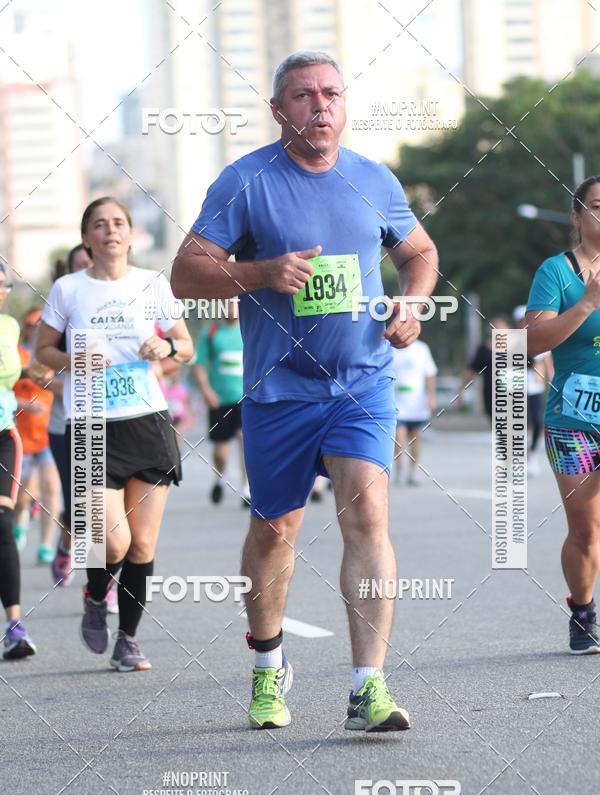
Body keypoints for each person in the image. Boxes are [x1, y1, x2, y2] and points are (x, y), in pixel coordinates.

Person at [172, 50, 438, 731]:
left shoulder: (374, 180)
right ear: (277, 109)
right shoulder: (246, 180)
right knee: (275, 529)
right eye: (302, 96)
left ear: (344, 105)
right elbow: (186, 272)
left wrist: (410, 304)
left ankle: (368, 686)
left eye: (331, 93)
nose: (320, 105)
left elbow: (420, 253)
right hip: (278, 391)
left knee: (368, 518)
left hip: (363, 381)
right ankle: (267, 668)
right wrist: (261, 272)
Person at [37, 197, 193, 671]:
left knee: (144, 545)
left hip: (147, 421)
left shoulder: (152, 283)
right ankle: (93, 593)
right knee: (115, 542)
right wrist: (72, 361)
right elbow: (42, 351)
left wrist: (165, 344)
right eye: (100, 225)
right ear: (87, 238)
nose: (110, 231)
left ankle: (128, 639)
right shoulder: (68, 289)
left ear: (131, 234)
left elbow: (185, 347)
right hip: (90, 422)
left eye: (119, 223)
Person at [525, 175, 600, 654]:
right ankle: (583, 611)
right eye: (596, 204)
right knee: (587, 531)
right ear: (577, 216)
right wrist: (589, 302)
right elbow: (532, 341)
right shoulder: (556, 272)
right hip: (574, 422)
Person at [47, 244, 94, 589]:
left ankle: (100, 587)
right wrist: (73, 375)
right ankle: (66, 546)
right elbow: (36, 370)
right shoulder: (57, 315)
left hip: (113, 420)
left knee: (102, 507)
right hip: (66, 424)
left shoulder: (117, 308)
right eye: (80, 265)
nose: (88, 269)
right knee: (78, 506)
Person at [0, 262, 36, 658]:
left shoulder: (9, 327)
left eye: (3, 285)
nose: (0, 292)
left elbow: (14, 370)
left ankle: (15, 625)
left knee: (3, 522)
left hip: (3, 435)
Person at [13, 309, 61, 563]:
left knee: (52, 488)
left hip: (48, 435)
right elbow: (4, 392)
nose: (37, 329)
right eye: (32, 325)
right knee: (22, 497)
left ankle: (45, 545)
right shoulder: (15, 355)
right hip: (21, 438)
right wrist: (24, 403)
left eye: (42, 325)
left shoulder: (53, 355)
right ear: (25, 328)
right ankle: (19, 521)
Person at [194, 299, 248, 505]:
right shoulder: (212, 332)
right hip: (219, 400)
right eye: (227, 304)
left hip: (245, 398)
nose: (231, 308)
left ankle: (247, 490)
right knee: (221, 451)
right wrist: (206, 391)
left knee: (245, 439)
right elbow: (199, 364)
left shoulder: (248, 329)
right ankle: (219, 478)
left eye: (235, 303)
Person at [512, 304, 553, 477]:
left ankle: (532, 454)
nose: (525, 323)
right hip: (514, 388)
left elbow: (548, 366)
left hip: (533, 389)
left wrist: (550, 382)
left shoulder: (540, 338)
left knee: (537, 421)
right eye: (521, 320)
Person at [392, 339, 437, 486]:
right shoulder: (392, 347)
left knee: (415, 440)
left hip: (417, 403)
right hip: (397, 401)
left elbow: (430, 374)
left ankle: (413, 472)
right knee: (398, 438)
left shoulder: (422, 348)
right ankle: (399, 468)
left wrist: (431, 397)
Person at [459, 317, 511, 422]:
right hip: (491, 394)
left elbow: (534, 362)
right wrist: (461, 391)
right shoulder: (483, 351)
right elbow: (471, 371)